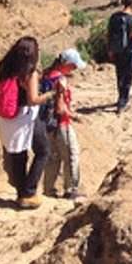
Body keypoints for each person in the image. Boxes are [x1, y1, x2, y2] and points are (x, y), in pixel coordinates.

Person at [0, 35, 53, 207]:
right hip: (27, 118)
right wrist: (51, 94)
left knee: (18, 156)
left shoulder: (6, 68)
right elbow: (33, 99)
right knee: (43, 151)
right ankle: (29, 192)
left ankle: (21, 194)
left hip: (9, 118)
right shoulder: (30, 73)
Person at [41, 48, 84, 201]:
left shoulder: (45, 75)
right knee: (71, 154)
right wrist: (75, 116)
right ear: (65, 64)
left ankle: (48, 189)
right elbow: (60, 108)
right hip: (61, 124)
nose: (74, 69)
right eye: (73, 66)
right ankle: (71, 189)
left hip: (46, 124)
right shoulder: (60, 81)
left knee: (53, 157)